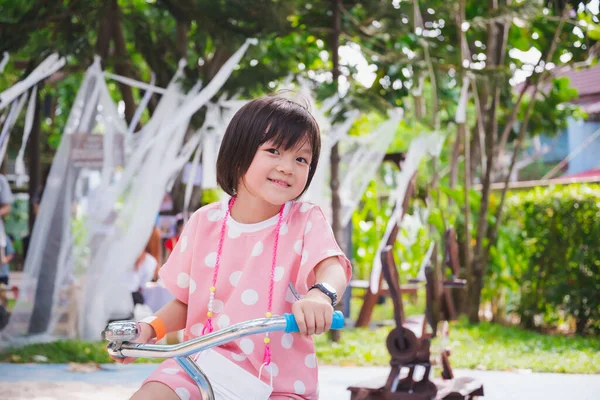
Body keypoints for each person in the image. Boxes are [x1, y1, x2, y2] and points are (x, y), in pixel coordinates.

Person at [111, 96, 352, 400]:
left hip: (278, 380)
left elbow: (331, 266)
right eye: (274, 151)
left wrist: (322, 294)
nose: (287, 167)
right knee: (152, 395)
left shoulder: (304, 220)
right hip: (200, 366)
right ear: (239, 155)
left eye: (301, 159)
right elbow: (187, 302)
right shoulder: (205, 222)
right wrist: (150, 328)